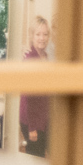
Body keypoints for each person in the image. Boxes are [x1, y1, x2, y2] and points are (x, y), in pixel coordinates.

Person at [23, 16, 53, 157]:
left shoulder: (45, 57)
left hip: (44, 119)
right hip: (32, 122)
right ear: (32, 36)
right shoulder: (29, 60)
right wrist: (32, 128)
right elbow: (27, 97)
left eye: (45, 34)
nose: (42, 38)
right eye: (38, 34)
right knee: (35, 159)